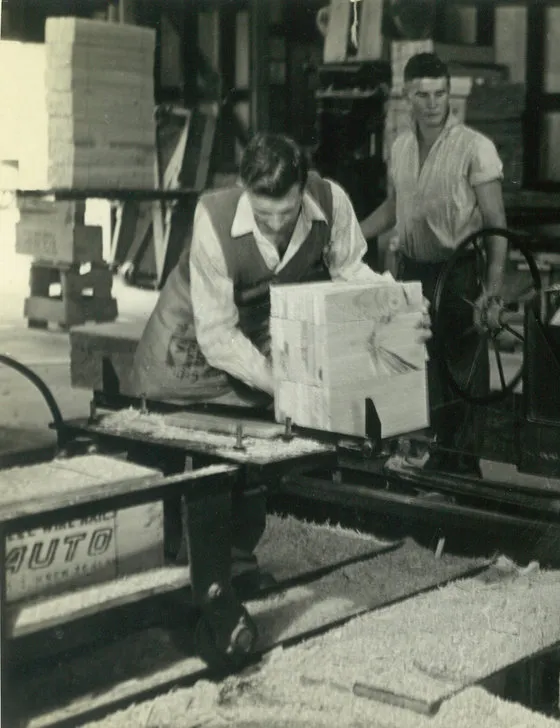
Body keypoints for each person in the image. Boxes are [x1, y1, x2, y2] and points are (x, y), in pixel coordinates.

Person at [129, 132, 412, 594]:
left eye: (287, 211)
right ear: (245, 189)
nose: (277, 225)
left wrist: (400, 309)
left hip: (254, 338)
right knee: (159, 450)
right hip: (187, 340)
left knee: (247, 453)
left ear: (303, 188)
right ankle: (157, 573)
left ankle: (232, 567)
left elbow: (353, 274)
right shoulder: (212, 218)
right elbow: (217, 332)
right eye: (264, 215)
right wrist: (281, 383)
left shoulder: (331, 201)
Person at [361, 52, 508, 476]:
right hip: (412, 274)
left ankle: (463, 472)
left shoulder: (476, 149)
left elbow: (497, 224)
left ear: (449, 94)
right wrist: (351, 231)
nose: (432, 103)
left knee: (462, 375)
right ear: (407, 96)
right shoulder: (402, 148)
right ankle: (431, 463)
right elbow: (393, 208)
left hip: (459, 274)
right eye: (422, 94)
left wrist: (492, 289)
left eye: (439, 93)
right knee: (420, 373)